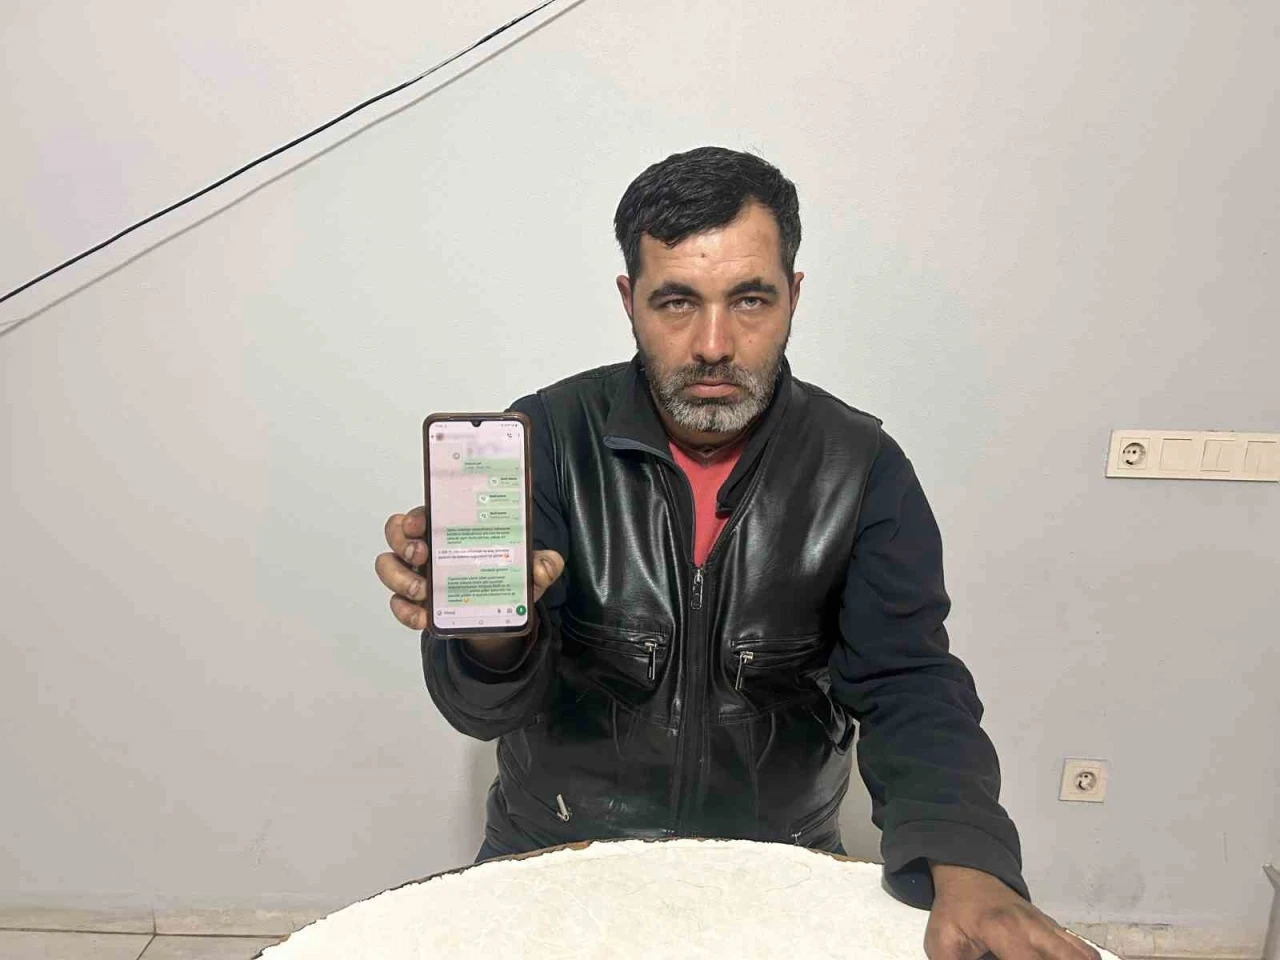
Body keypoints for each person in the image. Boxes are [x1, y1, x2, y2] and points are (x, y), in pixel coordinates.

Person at [375, 147, 1099, 960]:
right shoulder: (547, 438)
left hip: (776, 873)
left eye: (750, 299)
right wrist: (489, 634)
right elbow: (482, 713)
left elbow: (908, 682)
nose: (714, 344)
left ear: (794, 295)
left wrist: (967, 858)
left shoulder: (861, 469)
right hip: (554, 857)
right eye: (677, 301)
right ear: (630, 301)